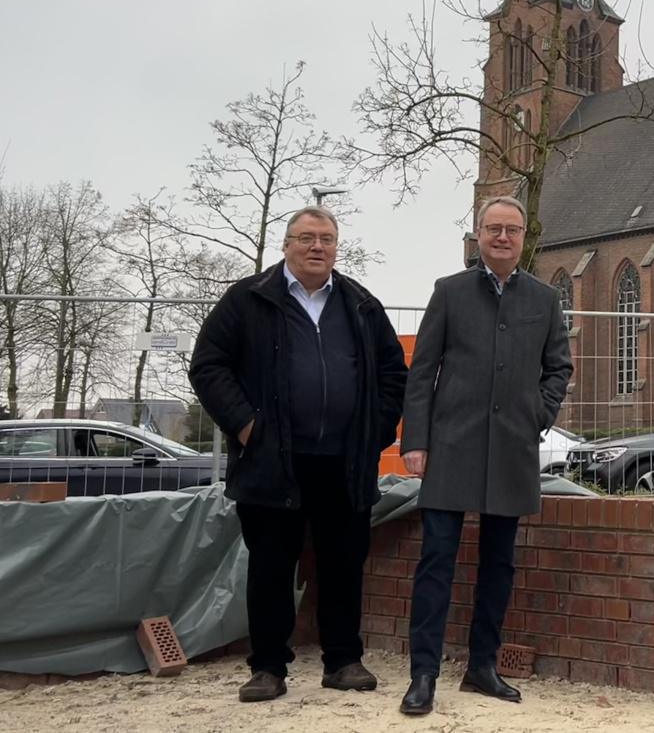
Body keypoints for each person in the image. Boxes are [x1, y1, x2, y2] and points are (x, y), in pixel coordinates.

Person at [189, 206, 408, 703]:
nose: (317, 246)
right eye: (306, 237)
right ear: (286, 244)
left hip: (344, 463)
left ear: (336, 247)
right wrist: (247, 427)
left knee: (343, 564)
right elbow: (208, 365)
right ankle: (267, 668)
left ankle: (343, 661)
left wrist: (373, 433)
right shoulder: (248, 299)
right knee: (271, 566)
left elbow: (393, 373)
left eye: (326, 239)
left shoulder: (360, 304)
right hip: (272, 460)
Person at [398, 195, 572, 717]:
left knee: (499, 564)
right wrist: (416, 440)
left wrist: (536, 414)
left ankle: (482, 666)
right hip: (451, 445)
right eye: (493, 228)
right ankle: (423, 673)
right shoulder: (449, 292)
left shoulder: (544, 298)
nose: (502, 237)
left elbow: (558, 368)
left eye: (511, 229)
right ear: (478, 235)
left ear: (523, 237)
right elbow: (422, 371)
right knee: (437, 560)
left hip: (512, 447)